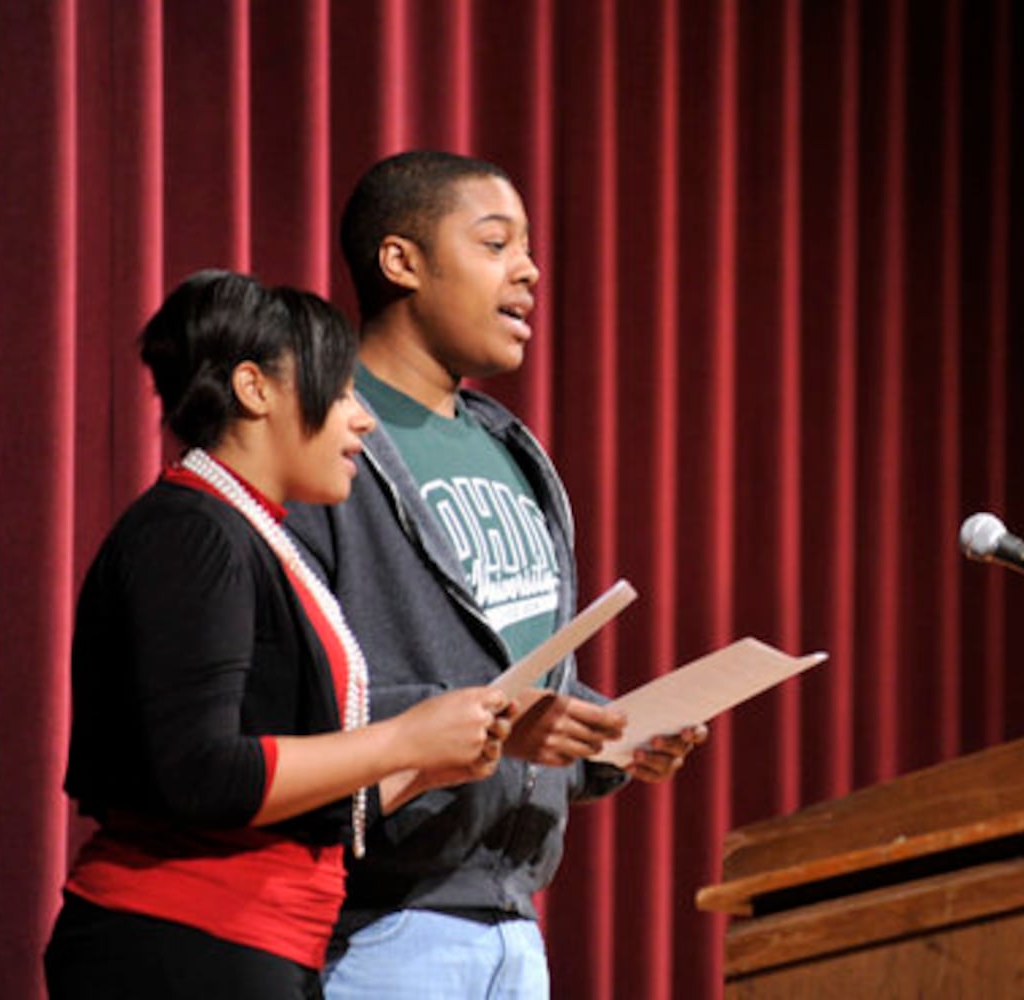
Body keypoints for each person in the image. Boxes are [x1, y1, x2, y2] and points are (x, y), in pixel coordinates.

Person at [284, 151, 707, 998]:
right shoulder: (324, 438)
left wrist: (605, 733)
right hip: (372, 925)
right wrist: (489, 722)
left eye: (528, 247)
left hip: (513, 924)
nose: (530, 270)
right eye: (494, 243)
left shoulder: (512, 449)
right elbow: (293, 696)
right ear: (401, 261)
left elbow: (524, 678)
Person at [44, 270, 516, 1000]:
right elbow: (202, 773)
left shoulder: (243, 530)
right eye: (340, 390)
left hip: (249, 945)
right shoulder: (191, 534)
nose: (362, 420)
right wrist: (403, 741)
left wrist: (432, 764)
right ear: (254, 390)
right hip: (184, 944)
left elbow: (284, 798)